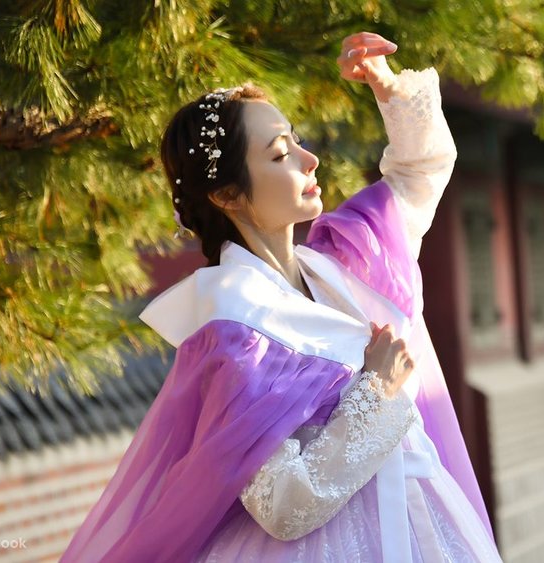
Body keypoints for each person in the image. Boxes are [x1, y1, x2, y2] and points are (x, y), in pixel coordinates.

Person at [60, 32, 503, 562]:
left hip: (422, 524)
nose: (310, 159)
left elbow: (417, 175)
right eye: (280, 154)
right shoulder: (238, 331)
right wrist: (377, 390)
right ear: (227, 195)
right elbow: (282, 503)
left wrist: (386, 89)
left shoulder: (347, 258)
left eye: (296, 140)